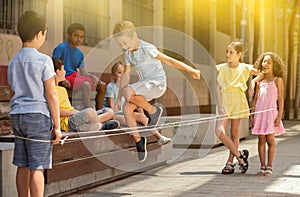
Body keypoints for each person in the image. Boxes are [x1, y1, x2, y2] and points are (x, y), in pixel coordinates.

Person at [112, 21, 201, 162]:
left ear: (134, 36)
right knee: (126, 107)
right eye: (120, 45)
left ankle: (153, 111)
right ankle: (139, 141)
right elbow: (126, 77)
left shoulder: (147, 48)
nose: (123, 47)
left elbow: (170, 61)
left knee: (128, 91)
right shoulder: (128, 54)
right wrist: (117, 100)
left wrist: (191, 70)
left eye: (124, 42)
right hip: (146, 85)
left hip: (157, 84)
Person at [8, 11, 61, 197]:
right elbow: (51, 94)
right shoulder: (44, 60)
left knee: (22, 164)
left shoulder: (13, 61)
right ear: (39, 34)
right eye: (44, 34)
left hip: (17, 116)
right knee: (38, 166)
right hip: (38, 117)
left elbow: (14, 91)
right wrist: (57, 126)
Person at [215, 41, 261, 174]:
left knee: (235, 133)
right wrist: (219, 105)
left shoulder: (246, 67)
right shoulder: (222, 68)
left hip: (238, 101)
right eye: (227, 52)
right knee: (219, 131)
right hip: (225, 101)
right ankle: (240, 156)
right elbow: (217, 88)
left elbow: (262, 74)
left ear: (239, 54)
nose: (228, 55)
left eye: (231, 52)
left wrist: (253, 82)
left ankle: (230, 163)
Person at [103, 61, 171, 145]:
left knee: (142, 117)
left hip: (125, 113)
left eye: (124, 73)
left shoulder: (129, 88)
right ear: (113, 75)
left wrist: (141, 115)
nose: (122, 75)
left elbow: (136, 103)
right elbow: (112, 106)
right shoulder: (111, 86)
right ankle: (139, 139)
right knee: (130, 119)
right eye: (119, 73)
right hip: (115, 115)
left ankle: (160, 137)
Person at [52, 58, 120, 132]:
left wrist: (77, 112)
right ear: (58, 72)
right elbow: (56, 111)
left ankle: (96, 124)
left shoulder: (62, 89)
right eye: (63, 69)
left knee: (109, 111)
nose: (65, 72)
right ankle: (101, 123)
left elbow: (69, 107)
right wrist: (74, 112)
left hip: (75, 116)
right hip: (68, 122)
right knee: (90, 112)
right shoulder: (51, 91)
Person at [52, 23, 106, 110]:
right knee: (86, 84)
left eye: (81, 37)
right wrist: (63, 79)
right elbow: (54, 65)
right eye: (76, 36)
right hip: (65, 76)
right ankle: (88, 112)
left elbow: (83, 72)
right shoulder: (61, 48)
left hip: (75, 76)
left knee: (102, 85)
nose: (79, 39)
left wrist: (93, 77)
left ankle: (99, 111)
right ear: (69, 35)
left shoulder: (80, 53)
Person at [250, 52, 286, 175]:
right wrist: (252, 115)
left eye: (269, 62)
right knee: (261, 140)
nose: (265, 64)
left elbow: (280, 100)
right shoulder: (260, 80)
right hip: (260, 114)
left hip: (271, 114)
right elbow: (255, 99)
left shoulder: (277, 80)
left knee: (270, 140)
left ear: (274, 65)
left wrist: (279, 117)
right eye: (264, 61)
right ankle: (262, 166)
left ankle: (269, 166)